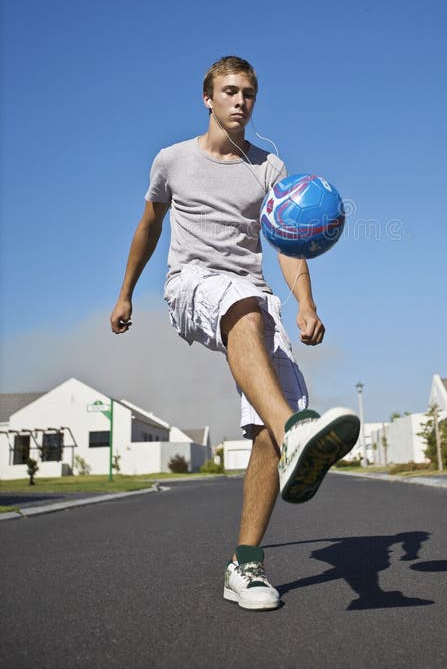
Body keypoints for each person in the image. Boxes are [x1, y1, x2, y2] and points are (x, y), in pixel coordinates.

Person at [110, 55, 359, 611]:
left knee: (278, 413)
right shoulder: (172, 160)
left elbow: (289, 242)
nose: (240, 101)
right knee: (243, 306)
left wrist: (306, 303)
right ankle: (298, 433)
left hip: (252, 292)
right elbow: (149, 226)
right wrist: (126, 291)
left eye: (248, 92)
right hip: (191, 285)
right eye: (229, 91)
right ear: (208, 98)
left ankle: (245, 566)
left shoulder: (270, 168)